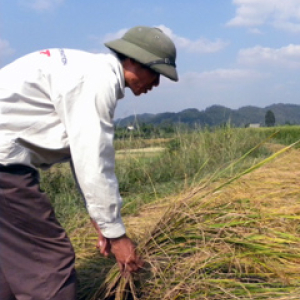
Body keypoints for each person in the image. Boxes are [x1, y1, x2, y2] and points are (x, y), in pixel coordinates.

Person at [0, 26, 178, 300]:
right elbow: (94, 163)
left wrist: (100, 220)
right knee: (49, 264)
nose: (156, 83)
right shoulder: (96, 81)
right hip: (5, 169)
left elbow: (78, 156)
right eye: (155, 73)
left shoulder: (83, 69)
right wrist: (118, 237)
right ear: (132, 59)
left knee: (13, 264)